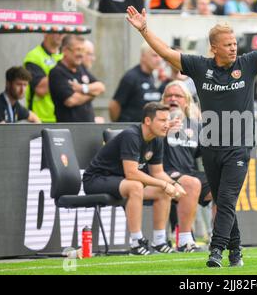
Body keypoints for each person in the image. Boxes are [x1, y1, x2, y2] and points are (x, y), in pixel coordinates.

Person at [126, 1, 257, 267]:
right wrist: (144, 30)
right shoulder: (199, 66)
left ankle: (216, 251)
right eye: (228, 44)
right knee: (223, 201)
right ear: (214, 47)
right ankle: (236, 251)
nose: (234, 47)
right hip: (210, 147)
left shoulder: (248, 63)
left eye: (234, 43)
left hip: (238, 147)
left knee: (226, 200)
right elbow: (167, 53)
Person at [83, 102, 186, 255]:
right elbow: (131, 173)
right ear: (148, 121)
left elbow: (157, 172)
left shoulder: (157, 138)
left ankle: (159, 241)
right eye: (162, 120)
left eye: (168, 120)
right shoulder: (131, 135)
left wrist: (174, 184)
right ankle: (136, 243)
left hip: (120, 181)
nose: (167, 125)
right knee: (136, 185)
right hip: (96, 180)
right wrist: (164, 184)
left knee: (162, 192)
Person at [161, 80, 213, 252]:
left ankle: (217, 237)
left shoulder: (195, 126)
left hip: (188, 173)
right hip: (162, 173)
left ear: (187, 101)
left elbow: (206, 153)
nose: (172, 99)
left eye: (178, 96)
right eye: (168, 95)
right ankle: (184, 240)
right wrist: (162, 129)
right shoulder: (156, 122)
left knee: (221, 184)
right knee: (192, 183)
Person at [49, 35, 106, 122]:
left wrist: (82, 88)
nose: (81, 55)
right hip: (70, 129)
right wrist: (92, 93)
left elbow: (101, 87)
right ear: (65, 51)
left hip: (88, 126)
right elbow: (71, 101)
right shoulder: (57, 72)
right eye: (78, 50)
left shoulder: (81, 68)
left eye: (83, 50)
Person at [109, 43, 163, 122]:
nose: (159, 60)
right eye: (155, 56)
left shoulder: (152, 76)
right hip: (130, 128)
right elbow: (114, 105)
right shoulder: (131, 77)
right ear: (143, 57)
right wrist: (118, 125)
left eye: (160, 56)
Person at [24, 33, 64, 123]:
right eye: (56, 31)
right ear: (45, 32)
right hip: (40, 119)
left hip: (64, 117)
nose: (61, 34)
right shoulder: (34, 56)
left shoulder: (66, 55)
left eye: (63, 31)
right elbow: (40, 89)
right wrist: (64, 70)